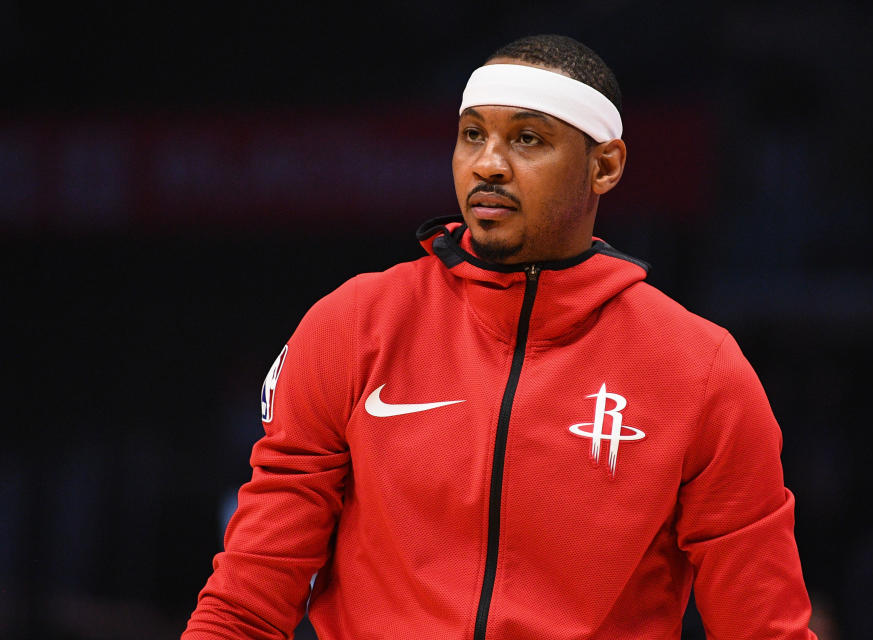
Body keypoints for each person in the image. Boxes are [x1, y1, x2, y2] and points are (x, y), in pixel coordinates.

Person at [183, 34, 816, 639]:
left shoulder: (700, 370)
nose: (489, 163)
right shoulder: (356, 325)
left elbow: (762, 627)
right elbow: (248, 598)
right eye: (472, 135)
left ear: (605, 165)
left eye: (528, 139)